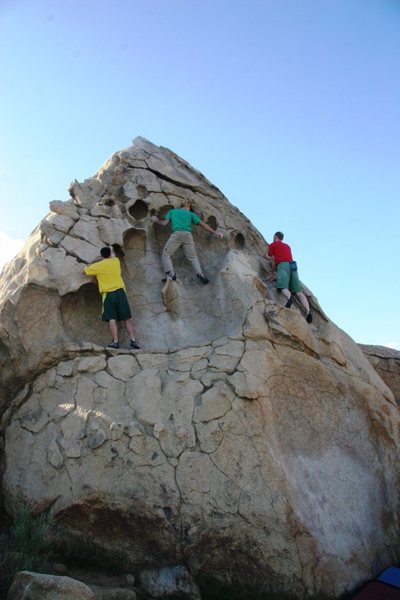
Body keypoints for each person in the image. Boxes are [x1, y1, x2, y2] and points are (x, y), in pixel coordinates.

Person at [151, 199, 224, 284]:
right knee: (193, 257)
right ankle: (200, 274)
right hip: (187, 236)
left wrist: (156, 219)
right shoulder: (191, 214)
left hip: (177, 235)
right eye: (190, 208)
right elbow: (204, 225)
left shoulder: (172, 211)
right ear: (187, 207)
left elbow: (164, 223)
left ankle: (171, 274)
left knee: (166, 255)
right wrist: (215, 233)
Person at [84, 246, 140, 349]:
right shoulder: (116, 261)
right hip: (120, 292)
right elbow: (111, 253)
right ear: (111, 254)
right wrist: (110, 250)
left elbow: (85, 271)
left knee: (111, 319)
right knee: (127, 318)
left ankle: (115, 342)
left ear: (102, 256)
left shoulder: (98, 266)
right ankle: (133, 340)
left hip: (108, 294)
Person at [268, 231, 312, 323]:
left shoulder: (273, 245)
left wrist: (272, 273)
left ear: (275, 236)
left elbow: (273, 259)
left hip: (283, 265)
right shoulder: (287, 246)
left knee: (282, 287)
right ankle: (308, 312)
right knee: (298, 291)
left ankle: (289, 297)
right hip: (293, 266)